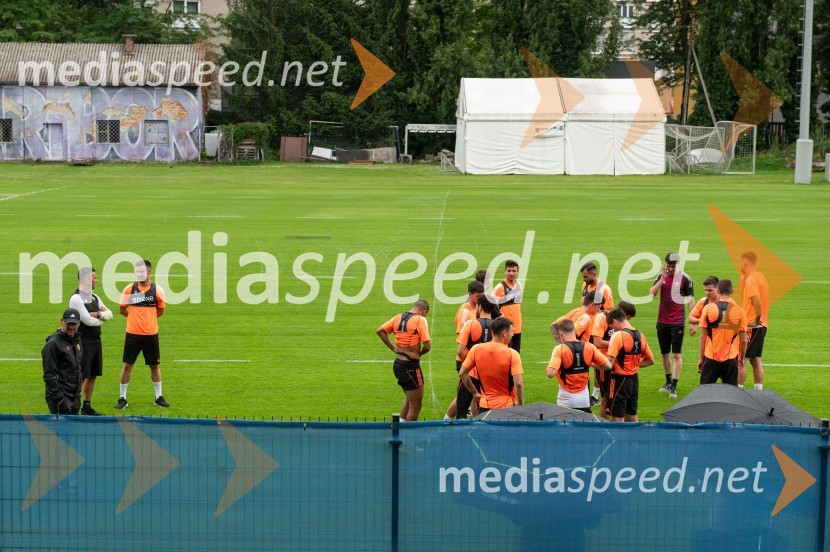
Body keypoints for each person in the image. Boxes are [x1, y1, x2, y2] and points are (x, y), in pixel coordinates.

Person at [117, 260, 169, 409]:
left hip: (151, 335)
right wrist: (134, 318)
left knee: (154, 365)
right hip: (132, 335)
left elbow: (160, 311)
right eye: (137, 272)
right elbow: (121, 309)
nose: (140, 274)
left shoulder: (157, 290)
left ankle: (158, 397)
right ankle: (122, 398)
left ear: (149, 272)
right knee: (127, 366)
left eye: (142, 272)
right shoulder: (129, 289)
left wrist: (148, 320)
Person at [649, 252, 695, 399]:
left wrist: (693, 322)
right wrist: (662, 278)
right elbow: (652, 293)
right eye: (669, 266)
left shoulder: (685, 279)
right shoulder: (661, 276)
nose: (670, 268)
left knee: (676, 354)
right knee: (664, 354)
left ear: (678, 264)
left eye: (673, 266)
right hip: (662, 321)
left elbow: (690, 300)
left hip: (677, 321)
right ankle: (668, 381)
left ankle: (674, 386)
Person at [377, 299, 431, 421]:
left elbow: (380, 330)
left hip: (398, 364)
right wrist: (419, 354)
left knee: (409, 397)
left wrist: (393, 348)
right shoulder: (420, 320)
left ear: (413, 306)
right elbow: (428, 346)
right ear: (424, 312)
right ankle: (408, 437)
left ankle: (399, 428)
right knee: (416, 405)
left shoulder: (398, 317)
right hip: (410, 366)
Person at [69, 267, 113, 416]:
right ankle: (72, 405)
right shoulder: (76, 299)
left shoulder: (94, 297)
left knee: (93, 374)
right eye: (94, 277)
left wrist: (97, 314)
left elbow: (110, 314)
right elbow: (87, 320)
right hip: (83, 342)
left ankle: (86, 405)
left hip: (96, 341)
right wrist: (101, 318)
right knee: (82, 376)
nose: (96, 280)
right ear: (86, 279)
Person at [458, 317, 524, 412]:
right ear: (504, 334)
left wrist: (475, 393)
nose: (513, 334)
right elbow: (519, 383)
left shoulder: (476, 349)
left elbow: (462, 374)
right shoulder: (512, 354)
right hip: (506, 407)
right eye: (511, 331)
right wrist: (521, 407)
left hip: (485, 406)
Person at [547, 319, 611, 412]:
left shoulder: (560, 349)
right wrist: (588, 363)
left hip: (565, 402)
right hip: (584, 402)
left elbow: (550, 373)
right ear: (575, 331)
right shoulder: (589, 347)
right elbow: (608, 366)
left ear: (561, 335)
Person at [605, 306, 654, 422]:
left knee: (617, 417)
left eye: (612, 326)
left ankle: (617, 440)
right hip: (633, 380)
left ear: (616, 321)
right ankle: (636, 440)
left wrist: (592, 363)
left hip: (618, 380)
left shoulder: (618, 336)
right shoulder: (640, 335)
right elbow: (650, 360)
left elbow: (609, 363)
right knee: (631, 415)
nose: (612, 329)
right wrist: (634, 365)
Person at [443, 281, 484, 420]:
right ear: (470, 295)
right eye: (478, 296)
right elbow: (462, 339)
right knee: (463, 395)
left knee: (474, 393)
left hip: (475, 360)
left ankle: (475, 420)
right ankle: (446, 420)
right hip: (466, 360)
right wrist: (467, 361)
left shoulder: (477, 308)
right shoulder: (465, 311)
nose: (480, 299)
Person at [453, 294, 498, 419]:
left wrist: (467, 364)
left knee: (462, 408)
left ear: (479, 307)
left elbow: (460, 350)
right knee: (487, 409)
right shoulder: (498, 326)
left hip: (471, 373)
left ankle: (461, 436)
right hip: (490, 374)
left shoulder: (470, 324)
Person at [698, 279, 747, 386]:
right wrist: (742, 358)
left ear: (718, 291)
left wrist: (701, 358)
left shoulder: (707, 309)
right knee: (730, 394)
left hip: (711, 357)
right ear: (732, 291)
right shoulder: (740, 311)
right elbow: (744, 340)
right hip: (730, 358)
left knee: (705, 392)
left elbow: (702, 338)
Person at [591, 301, 636, 418]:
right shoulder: (602, 318)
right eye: (627, 318)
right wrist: (617, 344)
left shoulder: (622, 327)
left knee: (620, 400)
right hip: (605, 363)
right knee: (606, 398)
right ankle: (604, 427)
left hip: (619, 364)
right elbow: (597, 342)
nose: (626, 322)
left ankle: (618, 425)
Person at [42, 308, 83, 415]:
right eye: (68, 323)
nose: (71, 327)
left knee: (72, 430)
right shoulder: (53, 344)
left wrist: (78, 395)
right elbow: (49, 375)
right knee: (60, 431)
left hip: (74, 398)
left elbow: (78, 368)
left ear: (79, 324)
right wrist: (60, 399)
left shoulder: (77, 340)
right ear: (62, 321)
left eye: (74, 324)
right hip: (60, 398)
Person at [739, 252, 769, 389]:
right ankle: (758, 391)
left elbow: (756, 301)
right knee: (755, 359)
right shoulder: (760, 277)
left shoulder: (751, 279)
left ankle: (737, 391)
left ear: (746, 263)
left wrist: (755, 321)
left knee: (741, 359)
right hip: (761, 325)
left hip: (753, 325)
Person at [493, 260, 523, 352]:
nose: (511, 273)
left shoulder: (520, 286)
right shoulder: (500, 287)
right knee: (505, 355)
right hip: (505, 329)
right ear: (505, 271)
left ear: (517, 271)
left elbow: (517, 306)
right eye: (509, 270)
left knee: (516, 354)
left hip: (517, 328)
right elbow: (491, 304)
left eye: (514, 271)